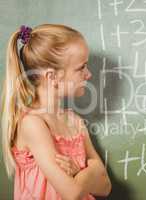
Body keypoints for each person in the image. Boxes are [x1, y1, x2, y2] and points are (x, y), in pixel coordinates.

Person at [0, 24, 112, 200]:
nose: (88, 74)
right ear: (52, 77)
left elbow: (105, 187)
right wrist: (89, 172)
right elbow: (71, 193)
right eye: (81, 67)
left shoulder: (74, 121)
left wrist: (79, 175)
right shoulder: (32, 123)